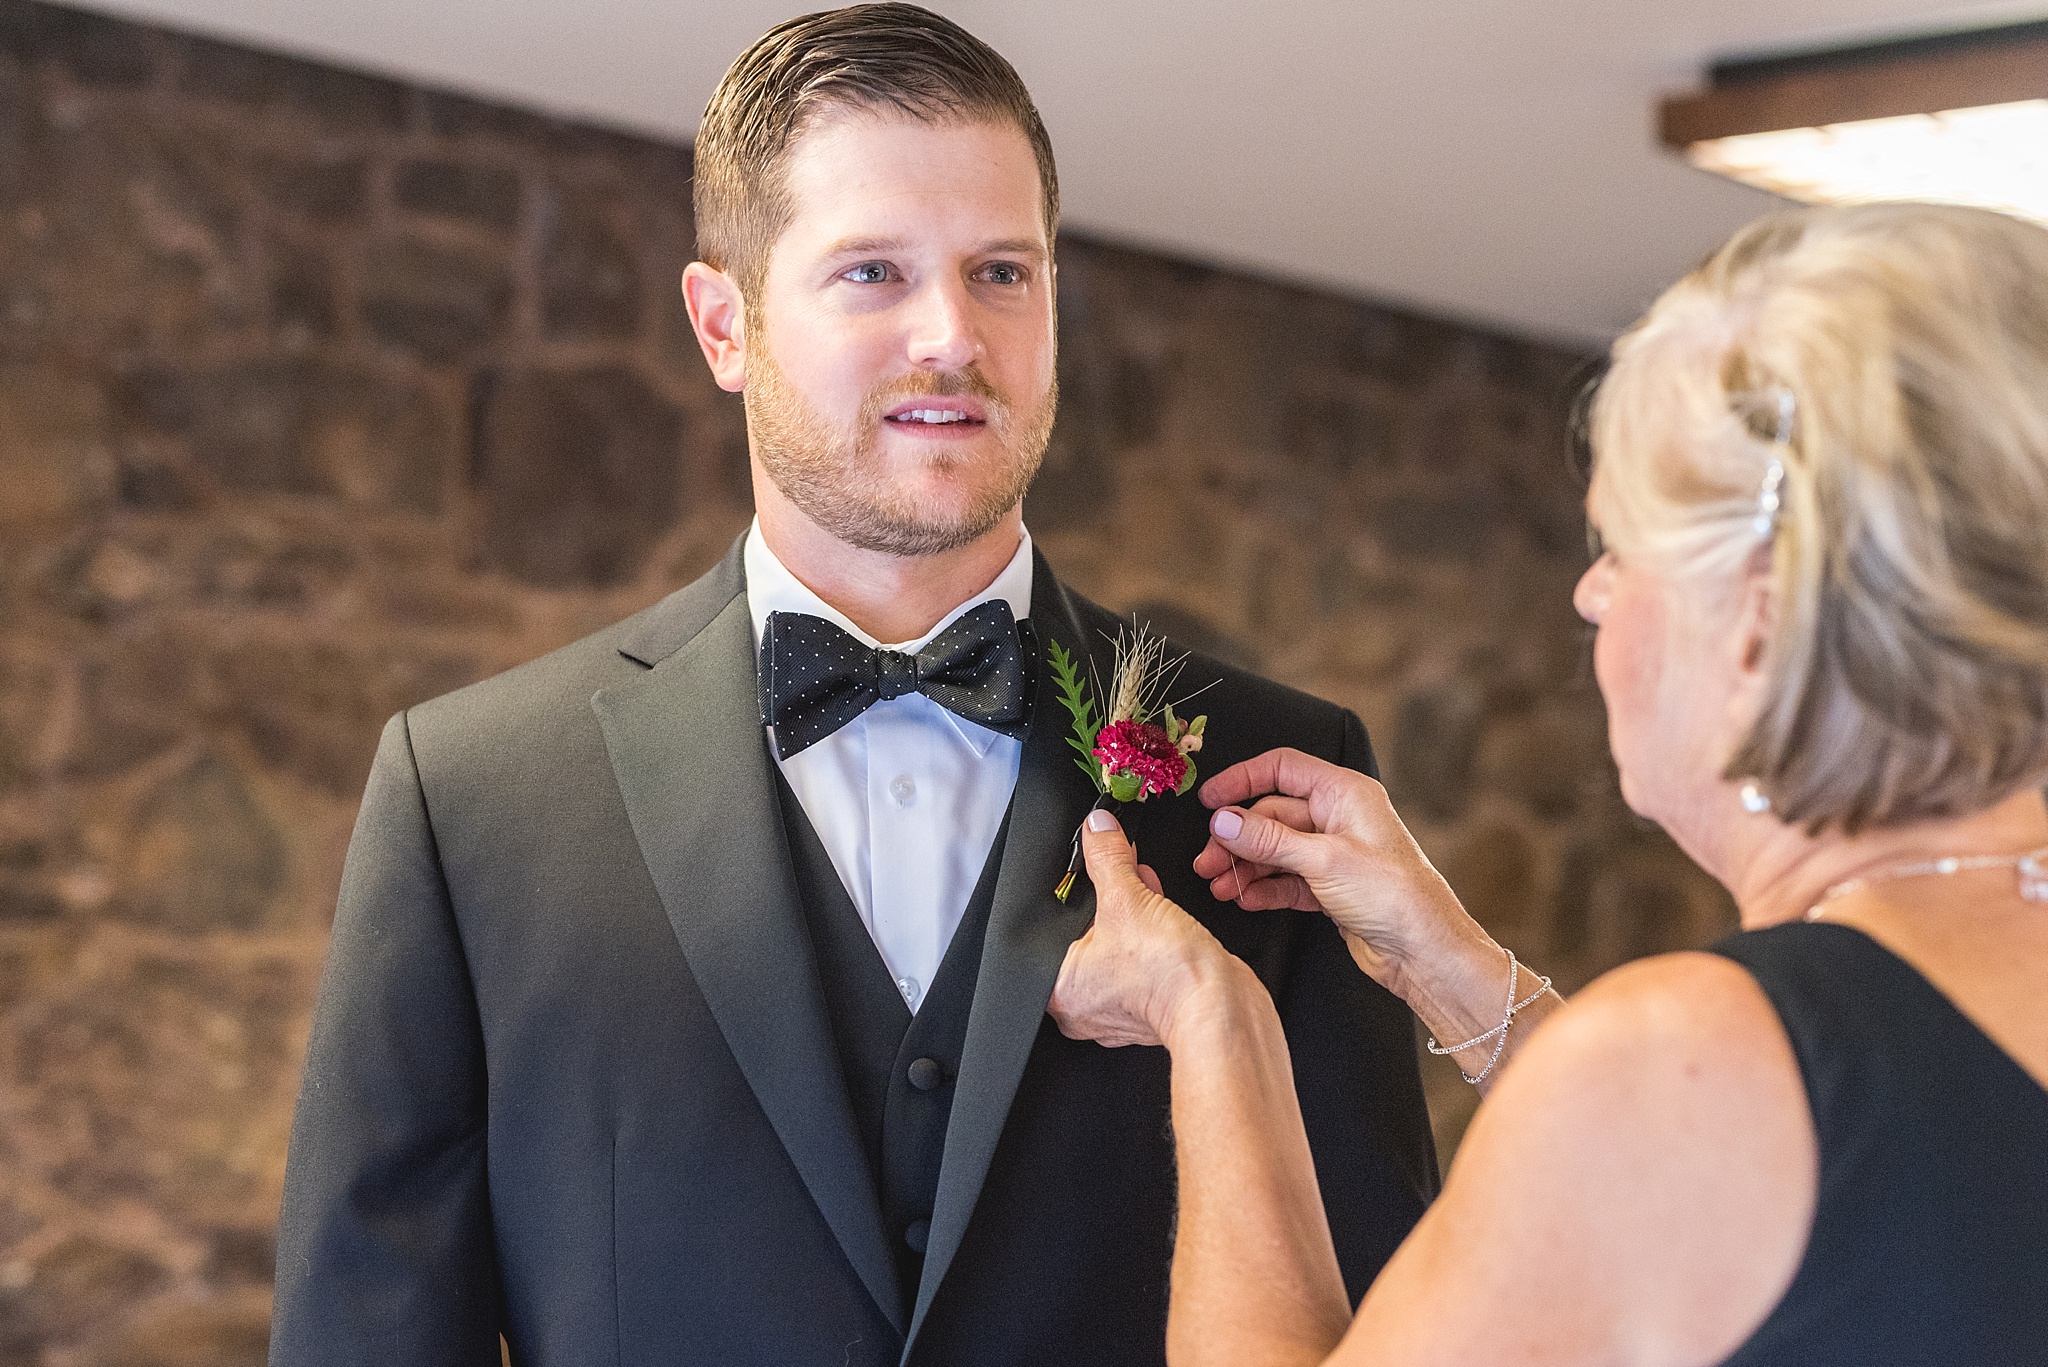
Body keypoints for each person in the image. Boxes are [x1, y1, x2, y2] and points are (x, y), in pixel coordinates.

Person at [267, 7, 1438, 1364]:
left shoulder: (1279, 778)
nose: (951, 335)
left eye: (1002, 271)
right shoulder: (469, 798)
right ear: (725, 323)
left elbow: (1398, 1312)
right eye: (872, 271)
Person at [1050, 201, 2048, 1367]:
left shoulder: (1677, 1061)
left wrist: (1214, 1025)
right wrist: (1448, 964)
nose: (1588, 599)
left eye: (1620, 550)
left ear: (1752, 630)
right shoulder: (1736, 1077)